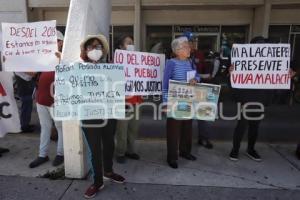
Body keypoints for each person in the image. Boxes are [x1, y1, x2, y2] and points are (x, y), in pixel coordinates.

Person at [79, 34, 125, 199]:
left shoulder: (110, 67)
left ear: (103, 50)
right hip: (89, 116)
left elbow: (117, 87)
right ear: (85, 50)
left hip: (109, 114)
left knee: (109, 145)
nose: (95, 50)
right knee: (95, 150)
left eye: (98, 47)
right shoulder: (77, 69)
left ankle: (109, 171)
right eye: (91, 47)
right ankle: (98, 181)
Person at [163, 36, 200, 169]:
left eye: (188, 46)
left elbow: (197, 76)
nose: (189, 48)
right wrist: (165, 103)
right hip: (174, 101)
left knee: (187, 128)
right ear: (177, 50)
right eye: (185, 46)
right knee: (173, 131)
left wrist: (195, 79)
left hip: (188, 100)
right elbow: (165, 84)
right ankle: (172, 157)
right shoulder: (171, 63)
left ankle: (185, 152)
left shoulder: (190, 62)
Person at [29, 31, 65, 168]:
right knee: (45, 128)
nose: (52, 43)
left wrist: (61, 58)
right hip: (41, 99)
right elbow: (31, 73)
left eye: (56, 40)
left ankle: (60, 154)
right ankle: (42, 155)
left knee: (60, 128)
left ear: (61, 43)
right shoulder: (43, 57)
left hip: (56, 101)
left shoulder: (65, 57)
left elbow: (72, 71)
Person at [115, 35, 142, 163]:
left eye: (132, 42)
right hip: (123, 102)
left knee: (133, 128)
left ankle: (130, 151)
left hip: (136, 100)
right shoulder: (116, 62)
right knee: (122, 129)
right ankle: (120, 152)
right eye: (128, 43)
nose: (131, 44)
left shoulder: (138, 61)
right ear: (121, 47)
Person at [185, 31, 214, 149]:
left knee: (203, 115)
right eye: (191, 41)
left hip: (200, 88)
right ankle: (185, 141)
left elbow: (205, 72)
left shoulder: (199, 54)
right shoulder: (177, 55)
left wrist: (203, 77)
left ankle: (204, 139)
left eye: (194, 41)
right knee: (187, 117)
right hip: (185, 90)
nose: (193, 43)